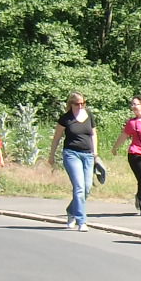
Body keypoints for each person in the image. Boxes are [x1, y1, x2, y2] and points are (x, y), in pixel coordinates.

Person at [51, 92, 98, 229]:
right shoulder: (66, 118)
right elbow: (56, 137)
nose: (80, 106)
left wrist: (95, 152)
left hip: (88, 155)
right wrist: (51, 155)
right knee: (79, 187)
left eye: (83, 103)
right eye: (77, 104)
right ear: (71, 104)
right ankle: (81, 221)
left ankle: (71, 211)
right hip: (72, 154)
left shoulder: (89, 116)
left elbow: (93, 134)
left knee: (87, 188)